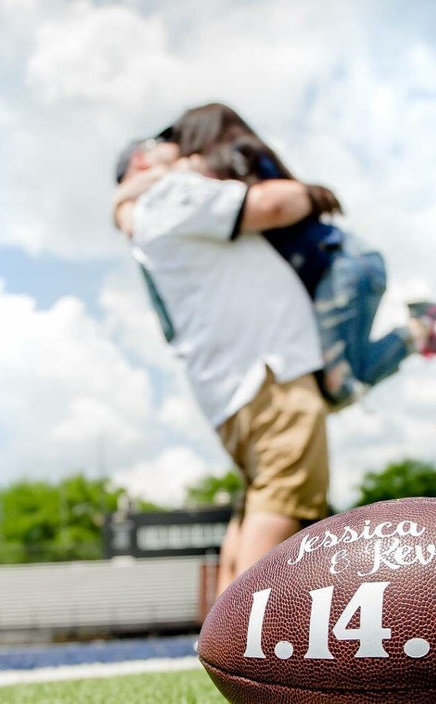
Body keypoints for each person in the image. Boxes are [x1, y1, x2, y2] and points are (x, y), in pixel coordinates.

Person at [119, 103, 436, 412]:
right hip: (340, 267)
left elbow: (170, 186)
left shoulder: (227, 161)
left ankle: (417, 331)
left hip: (341, 266)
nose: (177, 149)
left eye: (181, 139)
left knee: (340, 387)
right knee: (337, 385)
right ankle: (417, 332)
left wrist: (123, 199)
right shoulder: (239, 162)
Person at [114, 138, 336, 590]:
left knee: (259, 503)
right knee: (285, 499)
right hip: (266, 368)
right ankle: (244, 639)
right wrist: (313, 194)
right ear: (141, 160)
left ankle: (221, 636)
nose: (177, 147)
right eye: (162, 145)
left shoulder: (145, 213)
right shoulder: (170, 193)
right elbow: (273, 205)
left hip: (235, 382)